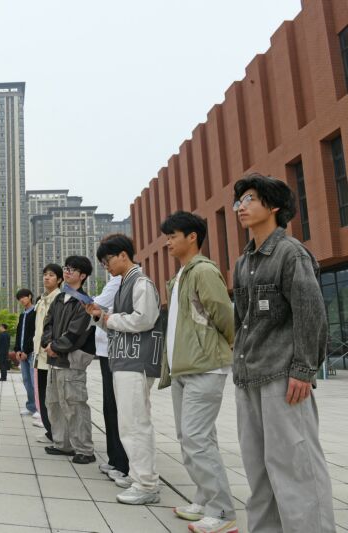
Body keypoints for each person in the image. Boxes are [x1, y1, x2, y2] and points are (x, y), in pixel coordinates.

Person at [231, 173, 334, 533]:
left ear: (274, 206)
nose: (241, 207)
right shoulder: (243, 262)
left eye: (250, 199)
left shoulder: (291, 253)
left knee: (296, 468)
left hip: (282, 378)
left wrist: (304, 369)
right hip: (248, 377)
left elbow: (311, 313)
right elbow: (242, 322)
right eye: (239, 201)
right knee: (258, 473)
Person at [159, 211, 237, 533]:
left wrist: (224, 347)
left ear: (192, 237)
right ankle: (205, 499)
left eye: (173, 236)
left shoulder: (203, 271)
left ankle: (222, 512)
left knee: (196, 438)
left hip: (204, 367)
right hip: (183, 368)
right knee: (191, 437)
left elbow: (225, 315)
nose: (168, 242)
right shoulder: (180, 276)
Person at [87, 234, 163, 505]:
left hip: (136, 361)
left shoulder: (140, 282)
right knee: (128, 423)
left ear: (123, 255)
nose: (106, 266)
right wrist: (100, 318)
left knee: (136, 424)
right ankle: (138, 476)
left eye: (107, 260)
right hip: (124, 360)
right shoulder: (123, 284)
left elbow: (144, 319)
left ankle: (147, 484)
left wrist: (109, 318)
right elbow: (117, 322)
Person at [41, 256, 97, 465]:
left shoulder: (84, 302)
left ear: (83, 276)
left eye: (72, 269)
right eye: (66, 268)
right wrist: (48, 343)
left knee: (75, 405)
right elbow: (48, 323)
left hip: (72, 361)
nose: (67, 271)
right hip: (54, 360)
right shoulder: (59, 298)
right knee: (54, 403)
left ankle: (84, 449)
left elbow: (77, 332)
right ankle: (62, 444)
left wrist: (56, 347)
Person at [92, 274, 130, 484]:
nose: (106, 265)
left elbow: (96, 305)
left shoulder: (125, 281)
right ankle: (114, 459)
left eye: (108, 260)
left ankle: (123, 464)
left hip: (118, 353)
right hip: (106, 351)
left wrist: (94, 306)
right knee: (109, 408)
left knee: (117, 409)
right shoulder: (114, 280)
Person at [32, 264, 63, 443]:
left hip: (51, 355)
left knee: (52, 398)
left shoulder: (59, 299)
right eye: (45, 274)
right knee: (43, 395)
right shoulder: (42, 300)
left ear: (59, 279)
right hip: (40, 356)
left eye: (51, 275)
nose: (46, 277)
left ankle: (55, 433)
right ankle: (50, 432)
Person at [14, 288, 37, 415]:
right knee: (26, 381)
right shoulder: (22, 315)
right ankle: (31, 407)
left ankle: (39, 409)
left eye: (24, 297)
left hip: (31, 353)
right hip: (22, 353)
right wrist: (17, 350)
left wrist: (26, 351)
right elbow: (19, 334)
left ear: (30, 296)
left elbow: (34, 333)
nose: (22, 300)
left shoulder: (36, 312)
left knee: (34, 382)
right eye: (20, 298)